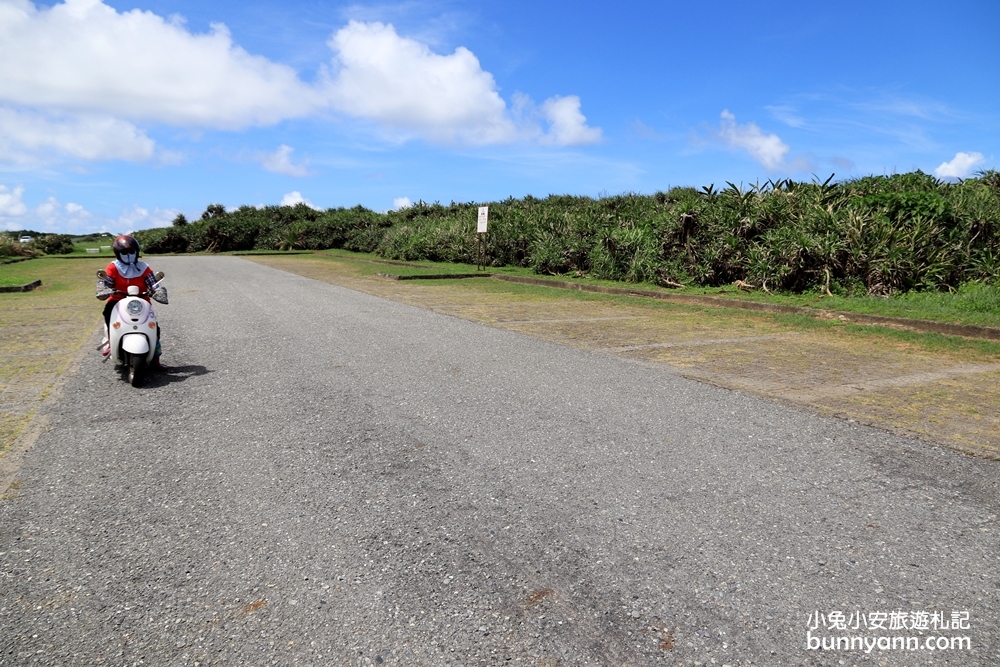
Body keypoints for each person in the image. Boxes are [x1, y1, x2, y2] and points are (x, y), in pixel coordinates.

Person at [96, 234, 169, 370]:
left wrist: (157, 291)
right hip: (117, 300)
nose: (128, 254)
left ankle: (155, 359)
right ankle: (112, 342)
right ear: (118, 253)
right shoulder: (113, 267)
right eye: (124, 252)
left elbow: (153, 283)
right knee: (108, 314)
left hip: (141, 302)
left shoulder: (143, 267)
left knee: (155, 328)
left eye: (131, 251)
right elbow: (107, 282)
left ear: (137, 252)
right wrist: (103, 288)